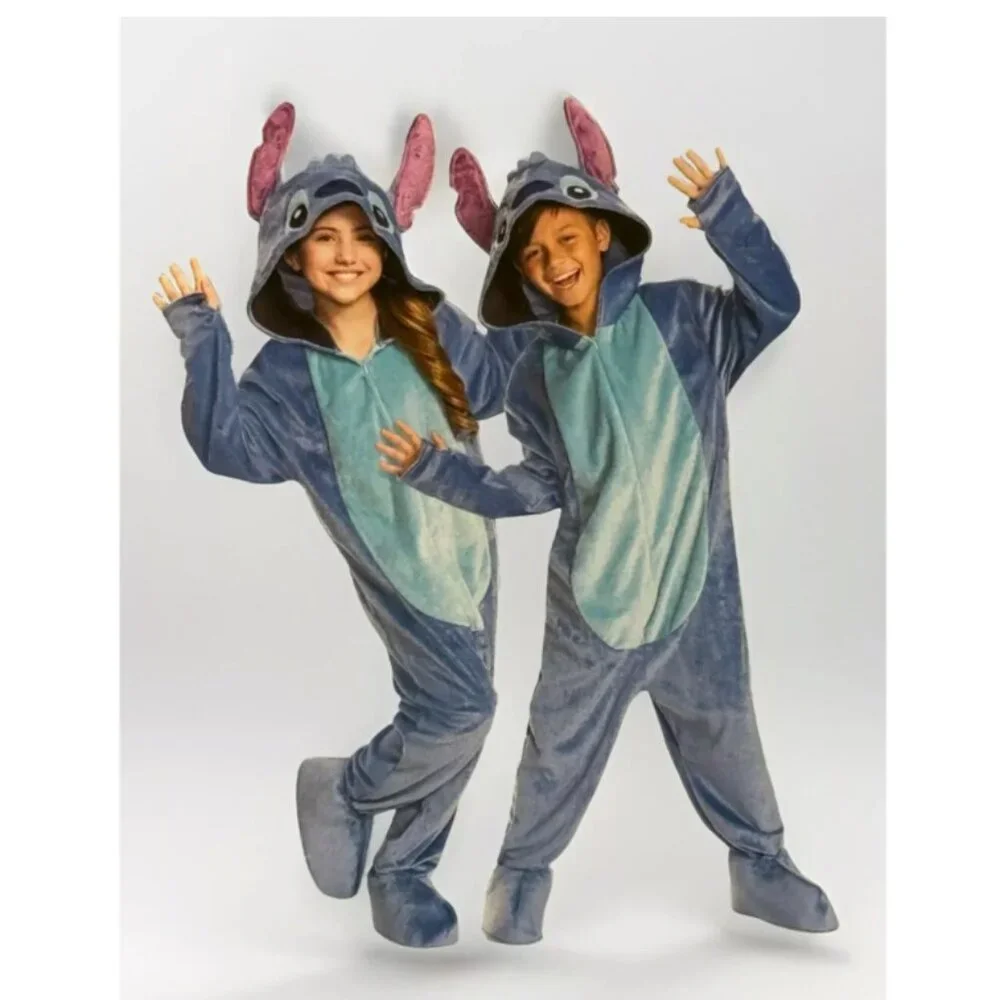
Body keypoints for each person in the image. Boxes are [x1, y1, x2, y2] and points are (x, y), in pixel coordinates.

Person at [379, 96, 838, 944]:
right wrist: (440, 472)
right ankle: (522, 874)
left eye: (565, 238)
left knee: (726, 730)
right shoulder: (537, 373)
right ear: (520, 272)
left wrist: (728, 216)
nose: (554, 261)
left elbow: (775, 305)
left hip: (699, 596)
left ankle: (760, 865)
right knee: (557, 747)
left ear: (600, 232)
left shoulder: (687, 319)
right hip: (594, 609)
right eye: (533, 252)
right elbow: (534, 486)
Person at [153, 103, 510, 949]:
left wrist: (515, 255)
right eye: (324, 237)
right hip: (398, 571)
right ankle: (344, 790)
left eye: (362, 235)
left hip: (473, 556)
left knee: (457, 718)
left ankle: (403, 873)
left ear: (386, 243)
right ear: (292, 254)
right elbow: (229, 445)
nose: (347, 253)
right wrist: (202, 339)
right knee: (463, 710)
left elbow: (497, 385)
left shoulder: (430, 326)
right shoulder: (288, 373)